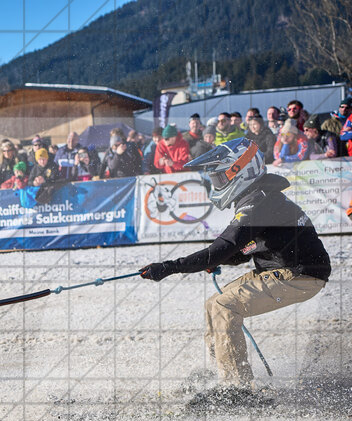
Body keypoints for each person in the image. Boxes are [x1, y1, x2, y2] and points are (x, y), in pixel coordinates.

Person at [139, 138, 330, 398]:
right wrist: (220, 259)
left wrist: (170, 267)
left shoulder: (258, 203)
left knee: (224, 306)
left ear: (240, 171)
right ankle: (220, 369)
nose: (216, 184)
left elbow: (221, 248)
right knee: (213, 302)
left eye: (219, 178)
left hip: (301, 275)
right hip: (283, 269)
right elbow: (242, 251)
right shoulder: (258, 198)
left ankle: (236, 387)